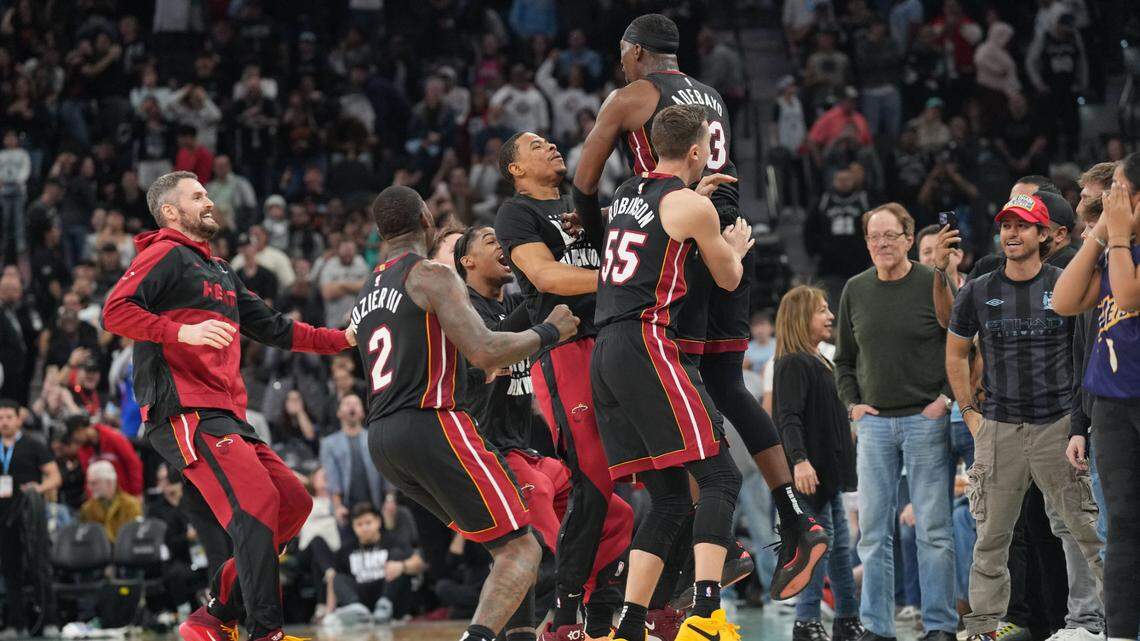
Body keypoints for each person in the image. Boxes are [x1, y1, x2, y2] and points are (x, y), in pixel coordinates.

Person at [571, 14, 828, 604]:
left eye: (621, 52)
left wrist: (598, 240)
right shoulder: (709, 95)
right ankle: (797, 519)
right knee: (725, 385)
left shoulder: (633, 96)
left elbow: (586, 181)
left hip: (680, 240)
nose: (620, 61)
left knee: (677, 384)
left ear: (636, 53)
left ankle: (716, 543)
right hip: (727, 232)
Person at [101, 170, 356, 641]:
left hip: (227, 413)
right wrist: (182, 331)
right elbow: (115, 311)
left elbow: (277, 327)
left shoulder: (219, 270)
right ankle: (265, 633)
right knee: (257, 505)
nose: (209, 202)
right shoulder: (165, 253)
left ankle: (214, 616)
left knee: (294, 503)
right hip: (185, 410)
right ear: (172, 212)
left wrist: (343, 339)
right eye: (197, 196)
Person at [354, 184, 578, 641]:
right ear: (426, 220)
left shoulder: (369, 287)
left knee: (506, 547)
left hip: (381, 437)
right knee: (522, 549)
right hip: (432, 422)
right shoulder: (432, 274)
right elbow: (485, 350)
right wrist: (548, 332)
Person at [590, 104, 753, 641]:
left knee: (668, 499)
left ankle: (630, 626)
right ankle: (705, 615)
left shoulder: (625, 193)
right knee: (721, 476)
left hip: (605, 351)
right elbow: (728, 280)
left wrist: (695, 202)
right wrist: (731, 246)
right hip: (645, 341)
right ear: (698, 151)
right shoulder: (690, 206)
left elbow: (662, 222)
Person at [944, 193, 1104, 641]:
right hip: (999, 425)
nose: (1011, 234)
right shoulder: (978, 289)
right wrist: (971, 413)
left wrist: (1079, 423)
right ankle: (982, 629)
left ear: (1042, 234)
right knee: (990, 539)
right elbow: (956, 353)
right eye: (1006, 226)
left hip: (1058, 424)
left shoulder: (1066, 283)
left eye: (1022, 226)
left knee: (1085, 532)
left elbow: (1086, 354)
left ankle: (1111, 622)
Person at [494, 130, 634, 639]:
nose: (551, 146)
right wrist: (622, 278)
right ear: (515, 168)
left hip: (616, 342)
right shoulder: (516, 213)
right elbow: (547, 276)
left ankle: (609, 613)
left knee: (637, 489)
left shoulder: (585, 205)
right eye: (535, 145)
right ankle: (567, 614)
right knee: (594, 480)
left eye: (551, 142)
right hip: (565, 350)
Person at [834, 203, 957, 641]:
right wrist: (853, 405)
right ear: (866, 243)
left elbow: (961, 346)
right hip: (875, 425)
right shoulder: (855, 289)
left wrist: (945, 399)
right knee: (873, 535)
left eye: (890, 235)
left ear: (908, 239)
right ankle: (876, 628)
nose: (882, 244)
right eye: (874, 237)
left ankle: (940, 625)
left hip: (926, 419)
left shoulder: (932, 283)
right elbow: (844, 360)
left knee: (934, 530)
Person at [1054, 153, 1140, 640]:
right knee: (1122, 529)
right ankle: (1121, 634)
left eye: (1120, 191)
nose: (1110, 201)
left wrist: (1121, 235)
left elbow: (1128, 296)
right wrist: (1102, 236)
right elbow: (1064, 301)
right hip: (1109, 403)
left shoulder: (1129, 251)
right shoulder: (1112, 247)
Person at [772, 287, 863, 641]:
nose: (829, 316)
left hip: (827, 476)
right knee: (815, 552)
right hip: (809, 477)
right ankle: (806, 622)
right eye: (822, 310)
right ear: (800, 318)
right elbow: (788, 417)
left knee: (838, 549)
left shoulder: (820, 360)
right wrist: (799, 460)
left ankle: (846, 618)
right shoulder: (793, 363)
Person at [0, 399, 61, 637]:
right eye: (0, 417)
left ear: (19, 419)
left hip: (30, 516)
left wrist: (39, 488)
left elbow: (55, 477)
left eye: (8, 417)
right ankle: (16, 623)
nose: (4, 422)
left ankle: (49, 621)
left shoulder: (34, 444)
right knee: (10, 569)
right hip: (3, 518)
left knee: (40, 567)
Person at [324, 503, 425, 623]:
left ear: (378, 521)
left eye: (368, 523)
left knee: (397, 556)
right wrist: (329, 612)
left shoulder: (394, 541)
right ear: (353, 527)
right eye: (359, 524)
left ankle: (384, 607)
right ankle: (357, 611)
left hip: (389, 594)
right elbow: (334, 581)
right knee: (336, 577)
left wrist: (402, 566)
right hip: (362, 597)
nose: (364, 528)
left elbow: (419, 563)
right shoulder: (346, 549)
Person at [319, 394, 388, 528]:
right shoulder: (328, 444)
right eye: (347, 403)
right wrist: (338, 507)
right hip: (347, 509)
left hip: (376, 506)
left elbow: (386, 471)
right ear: (339, 413)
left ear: (362, 412)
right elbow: (332, 478)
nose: (352, 406)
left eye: (356, 403)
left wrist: (390, 499)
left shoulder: (374, 438)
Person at [79, 459, 142, 543]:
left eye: (94, 483)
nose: (90, 487)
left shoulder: (131, 505)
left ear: (109, 482)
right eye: (89, 483)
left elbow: (136, 536)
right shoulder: (87, 509)